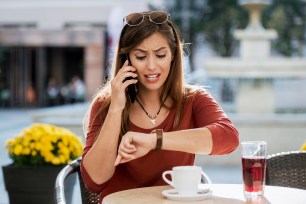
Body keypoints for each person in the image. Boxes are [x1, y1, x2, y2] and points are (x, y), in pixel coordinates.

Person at [81, 11, 239, 203]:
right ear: (127, 59)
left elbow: (229, 138)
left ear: (173, 55)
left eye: (160, 55)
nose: (151, 66)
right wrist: (116, 109)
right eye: (140, 56)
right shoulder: (106, 104)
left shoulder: (194, 99)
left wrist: (154, 140)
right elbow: (94, 181)